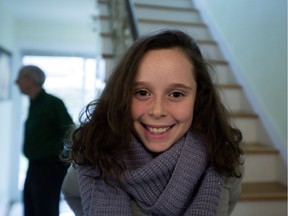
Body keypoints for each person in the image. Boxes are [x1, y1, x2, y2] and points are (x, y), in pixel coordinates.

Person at [66, 29, 244, 216]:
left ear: (198, 98)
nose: (157, 111)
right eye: (142, 92)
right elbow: (72, 194)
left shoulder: (224, 158)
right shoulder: (95, 154)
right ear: (122, 95)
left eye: (176, 94)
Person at [15, 65, 74, 216]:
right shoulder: (34, 103)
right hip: (35, 166)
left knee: (45, 210)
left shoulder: (52, 103)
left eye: (20, 77)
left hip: (49, 167)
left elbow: (70, 131)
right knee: (31, 208)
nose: (16, 82)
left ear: (30, 80)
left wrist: (64, 161)